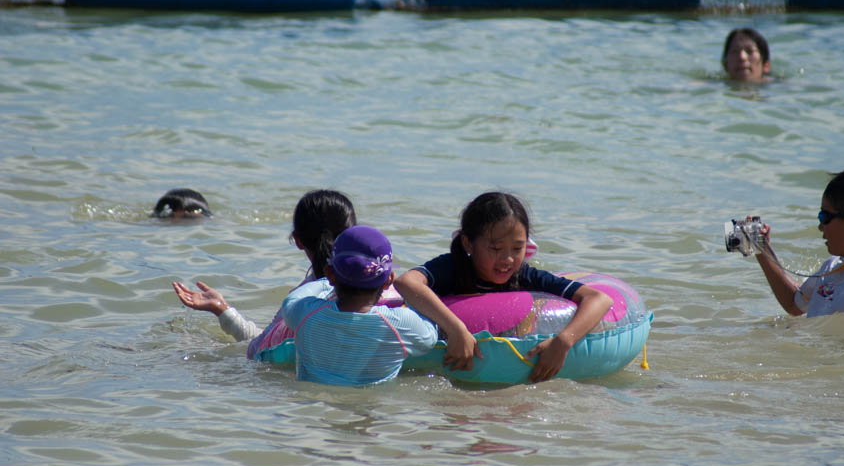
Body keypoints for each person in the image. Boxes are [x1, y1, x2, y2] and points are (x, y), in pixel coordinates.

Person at [394, 191, 613, 383]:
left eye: (517, 248)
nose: (507, 259)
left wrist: (563, 341)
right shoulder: (452, 267)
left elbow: (599, 298)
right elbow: (406, 282)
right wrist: (456, 329)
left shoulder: (525, 275)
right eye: (496, 248)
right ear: (468, 243)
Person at [172, 189, 357, 361]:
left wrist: (222, 311)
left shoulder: (301, 301)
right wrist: (221, 309)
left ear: (298, 240)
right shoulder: (375, 282)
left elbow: (261, 348)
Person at [281, 225, 438, 386]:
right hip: (370, 409)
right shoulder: (401, 324)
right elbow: (430, 336)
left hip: (311, 406)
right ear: (389, 280)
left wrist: (326, 282)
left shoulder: (305, 314)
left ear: (330, 273)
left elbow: (292, 299)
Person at [756, 166, 844, 321]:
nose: (820, 226)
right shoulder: (831, 267)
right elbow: (793, 304)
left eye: (824, 217)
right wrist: (761, 249)